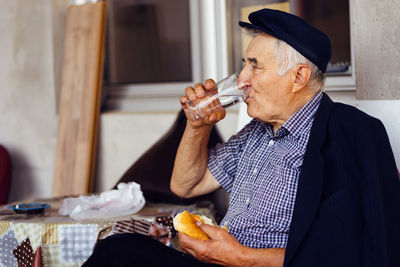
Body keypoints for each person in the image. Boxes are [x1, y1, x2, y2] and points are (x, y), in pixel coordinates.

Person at [84, 8, 400, 267]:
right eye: (243, 65)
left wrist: (242, 258)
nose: (242, 80)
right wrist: (198, 127)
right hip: (220, 263)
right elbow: (185, 185)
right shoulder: (256, 133)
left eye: (254, 66)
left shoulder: (351, 134)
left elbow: (356, 254)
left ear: (298, 77)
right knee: (119, 249)